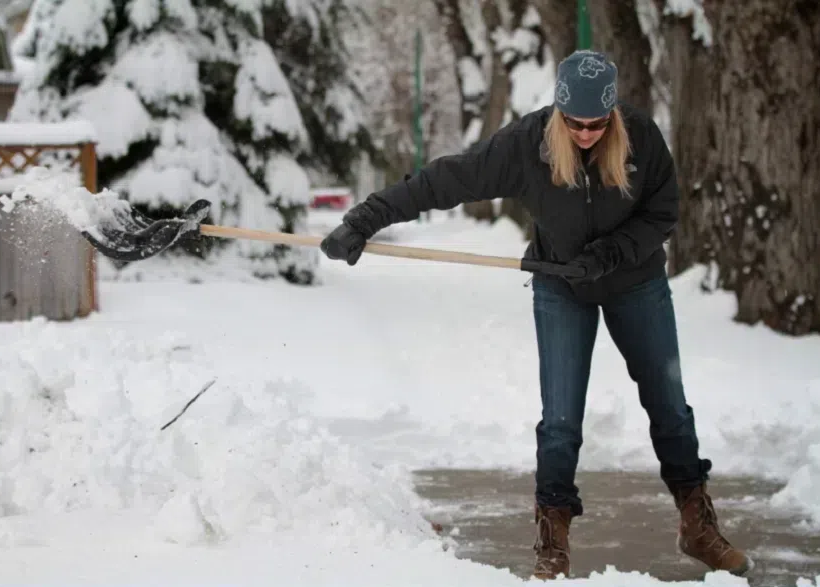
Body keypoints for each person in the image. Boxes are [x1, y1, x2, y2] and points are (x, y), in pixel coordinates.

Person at [319, 50, 753, 580]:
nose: (588, 134)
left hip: (635, 282)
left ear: (614, 114)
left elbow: (663, 212)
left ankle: (697, 523)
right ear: (558, 113)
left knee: (669, 404)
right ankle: (553, 538)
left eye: (598, 124)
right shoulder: (527, 145)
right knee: (560, 420)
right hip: (560, 285)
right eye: (576, 124)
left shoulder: (641, 136)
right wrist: (366, 219)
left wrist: (608, 254)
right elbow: (445, 180)